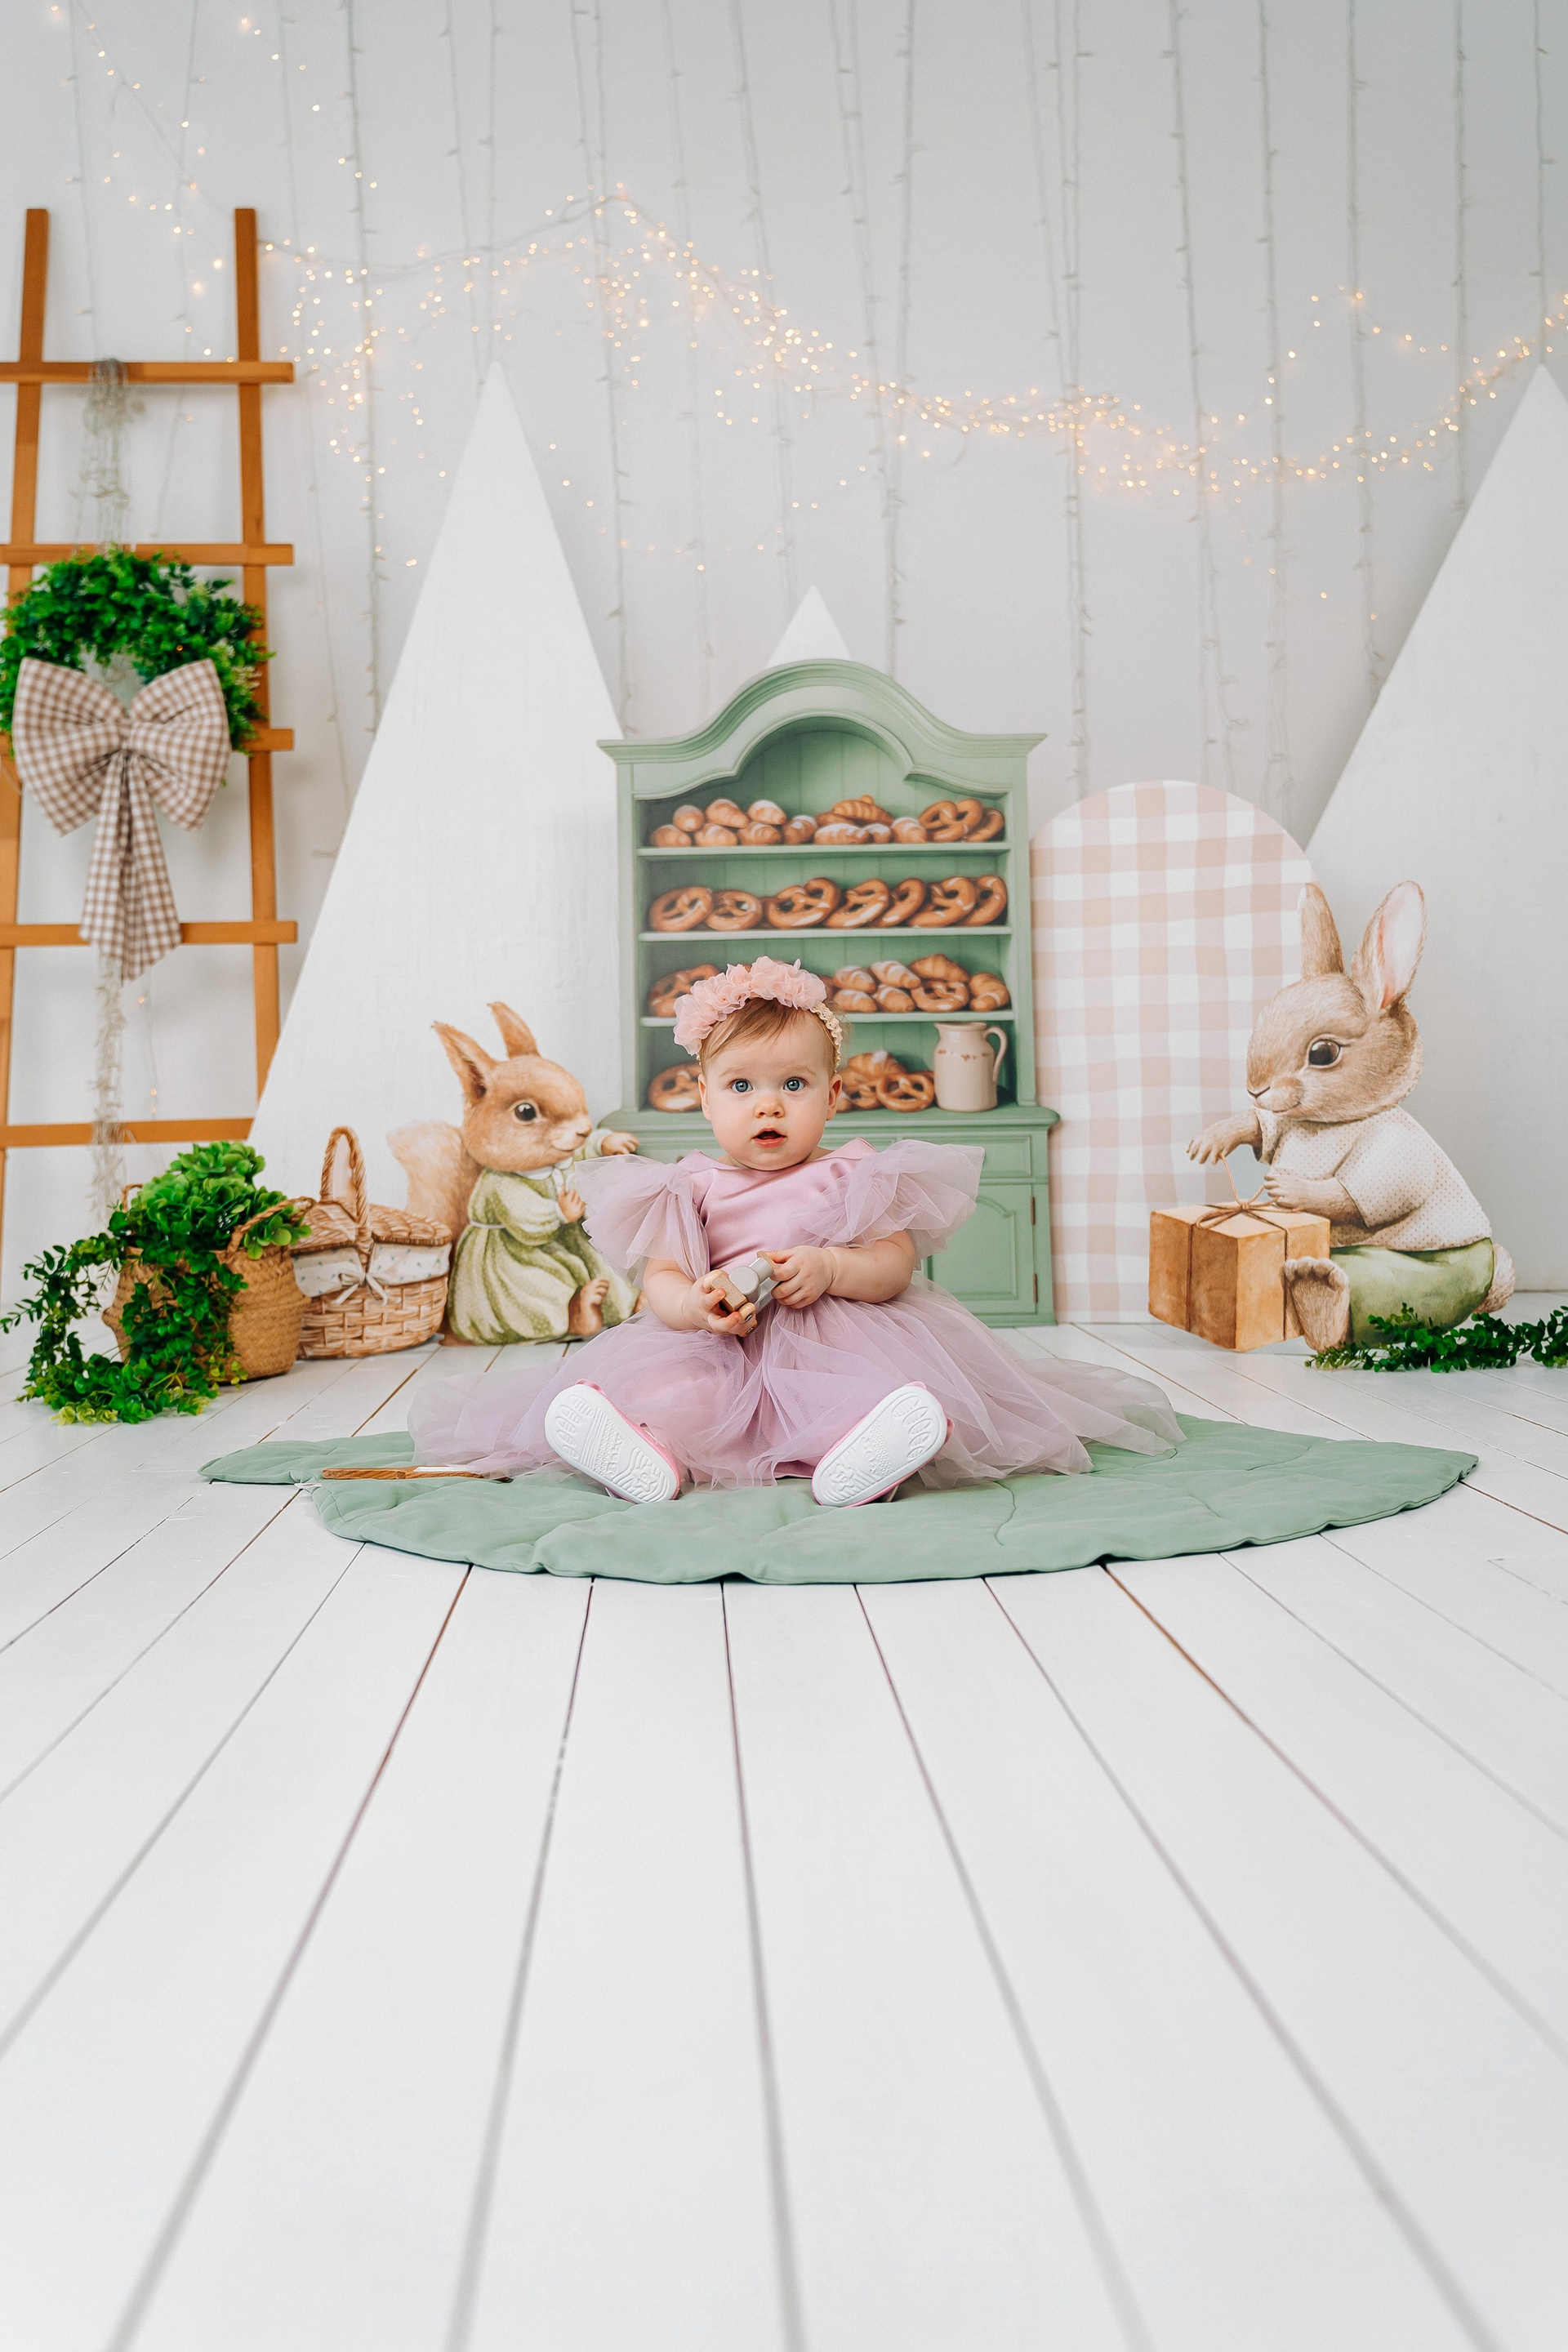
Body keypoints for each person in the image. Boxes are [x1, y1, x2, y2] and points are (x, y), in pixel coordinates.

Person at [408, 957, 1181, 1507]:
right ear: (705, 1098)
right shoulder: (687, 1184)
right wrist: (695, 1305)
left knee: (861, 1393)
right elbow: (662, 1282)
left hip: (837, 1339)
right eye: (742, 1086)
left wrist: (833, 1269)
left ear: (833, 1095)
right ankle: (646, 1454)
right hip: (722, 1346)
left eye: (794, 1085)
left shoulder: (857, 1173)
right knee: (682, 1394)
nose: (768, 1105)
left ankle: (863, 1455)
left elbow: (895, 1266)